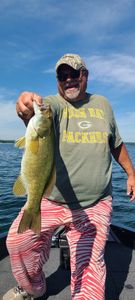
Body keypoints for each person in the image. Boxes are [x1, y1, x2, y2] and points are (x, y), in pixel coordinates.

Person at [3, 54, 135, 300]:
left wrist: (131, 173)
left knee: (90, 280)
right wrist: (26, 106)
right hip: (50, 198)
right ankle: (33, 287)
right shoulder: (52, 106)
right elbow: (32, 113)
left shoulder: (103, 104)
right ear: (57, 80)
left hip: (95, 204)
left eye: (75, 74)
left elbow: (115, 143)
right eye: (62, 76)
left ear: (85, 74)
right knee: (18, 243)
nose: (69, 80)